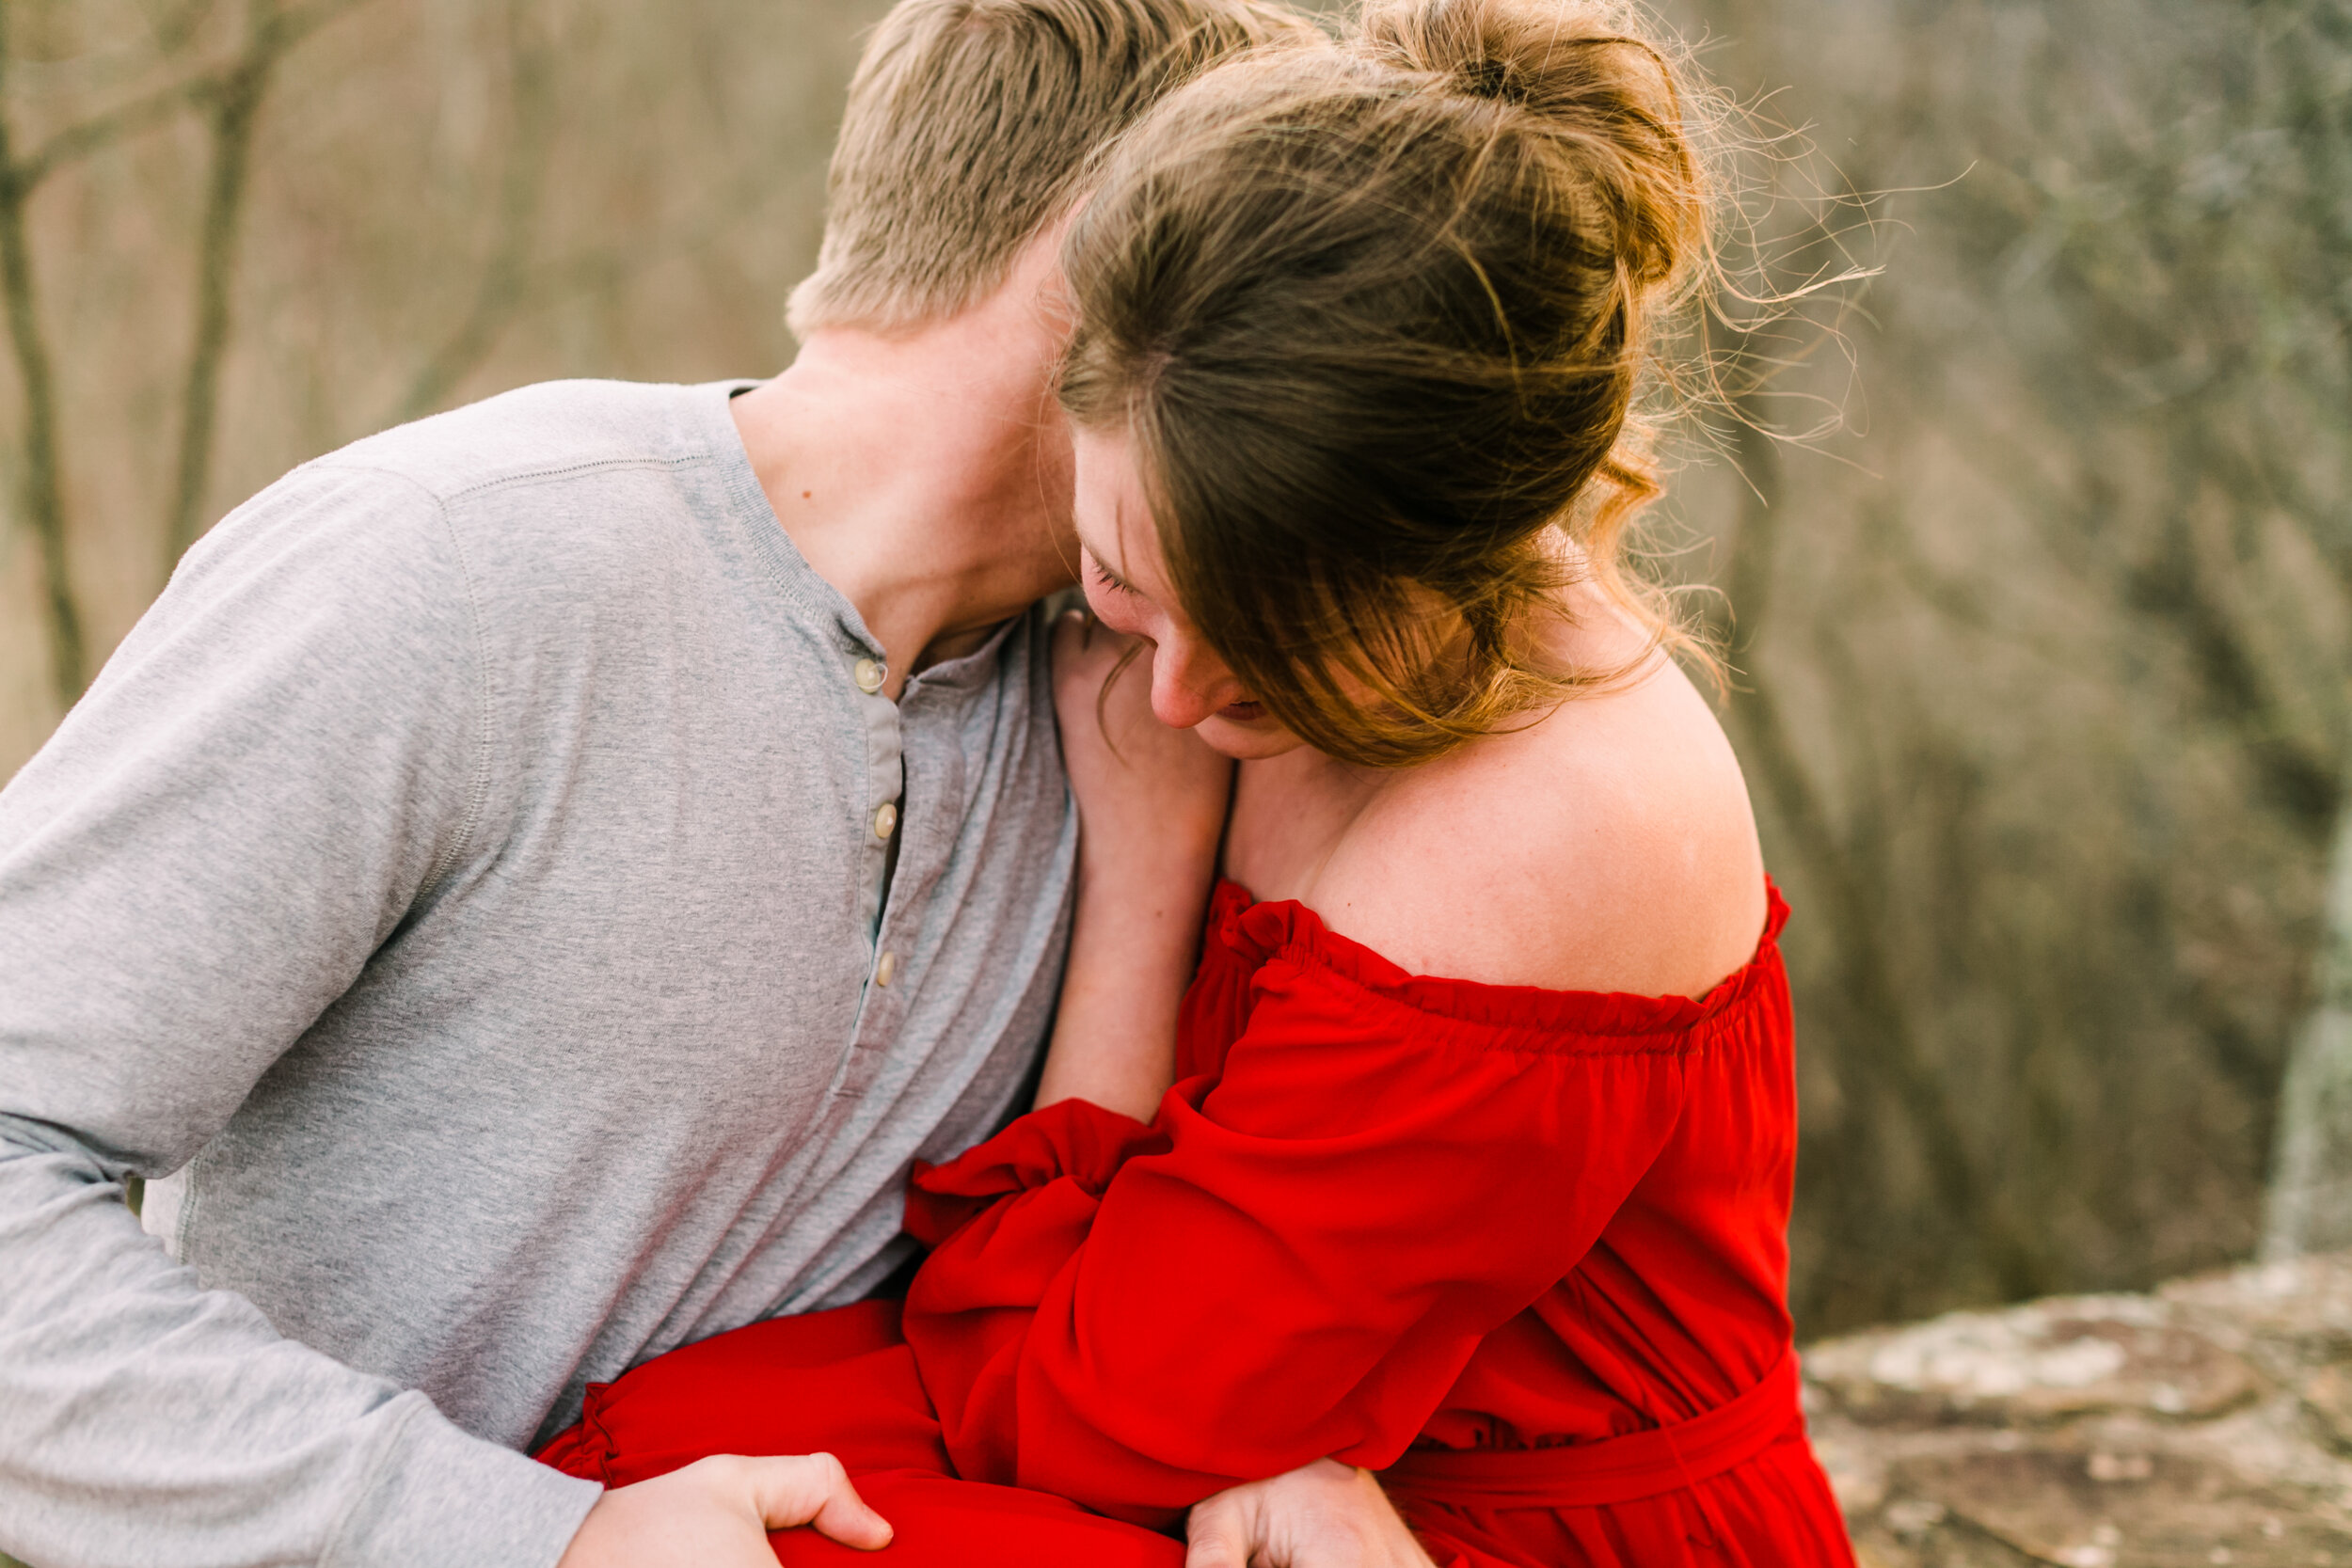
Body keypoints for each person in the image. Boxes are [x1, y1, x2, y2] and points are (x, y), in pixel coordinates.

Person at [0, 0, 1443, 1563]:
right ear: (1116, 266)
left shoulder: (1146, 710)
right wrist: (534, 1544)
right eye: (1267, 288)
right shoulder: (453, 567)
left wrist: (1280, 1467)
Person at [530, 0, 1858, 1562]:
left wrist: (1144, 878)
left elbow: (1093, 1423)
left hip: (1462, 1524)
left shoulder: (1550, 835)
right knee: (640, 1473)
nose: (1170, 701)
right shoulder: (1322, 582)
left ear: (1455, 556)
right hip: (1209, 1417)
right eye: (1119, 588)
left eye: (1259, 646)